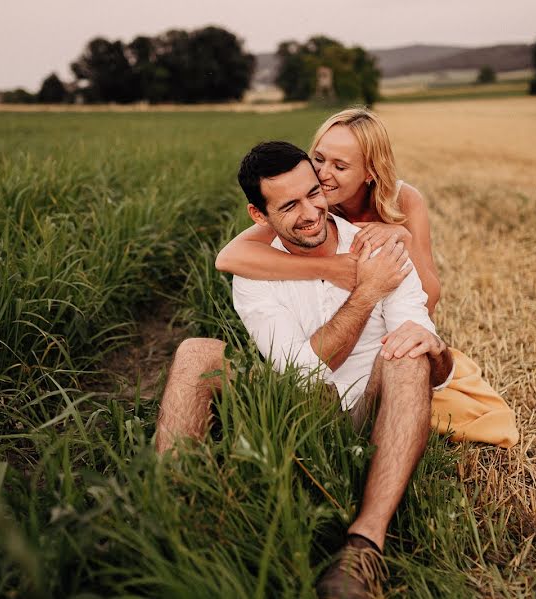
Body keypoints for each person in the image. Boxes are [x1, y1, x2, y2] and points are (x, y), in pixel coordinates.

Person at [156, 141, 456, 598]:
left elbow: (415, 328)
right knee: (196, 353)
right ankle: (172, 515)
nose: (311, 212)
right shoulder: (254, 273)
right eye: (290, 206)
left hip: (373, 409)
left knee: (409, 353)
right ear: (259, 216)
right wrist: (365, 294)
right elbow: (300, 374)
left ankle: (364, 548)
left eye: (314, 194)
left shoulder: (375, 248)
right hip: (298, 407)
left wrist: (436, 348)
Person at [215, 108, 518, 448]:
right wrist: (331, 267)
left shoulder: (403, 199)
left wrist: (401, 236)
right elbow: (230, 257)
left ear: (370, 173)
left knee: (418, 386)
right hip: (329, 343)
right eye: (318, 158)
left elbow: (430, 293)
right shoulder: (310, 204)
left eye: (340, 166)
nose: (323, 174)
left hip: (386, 335)